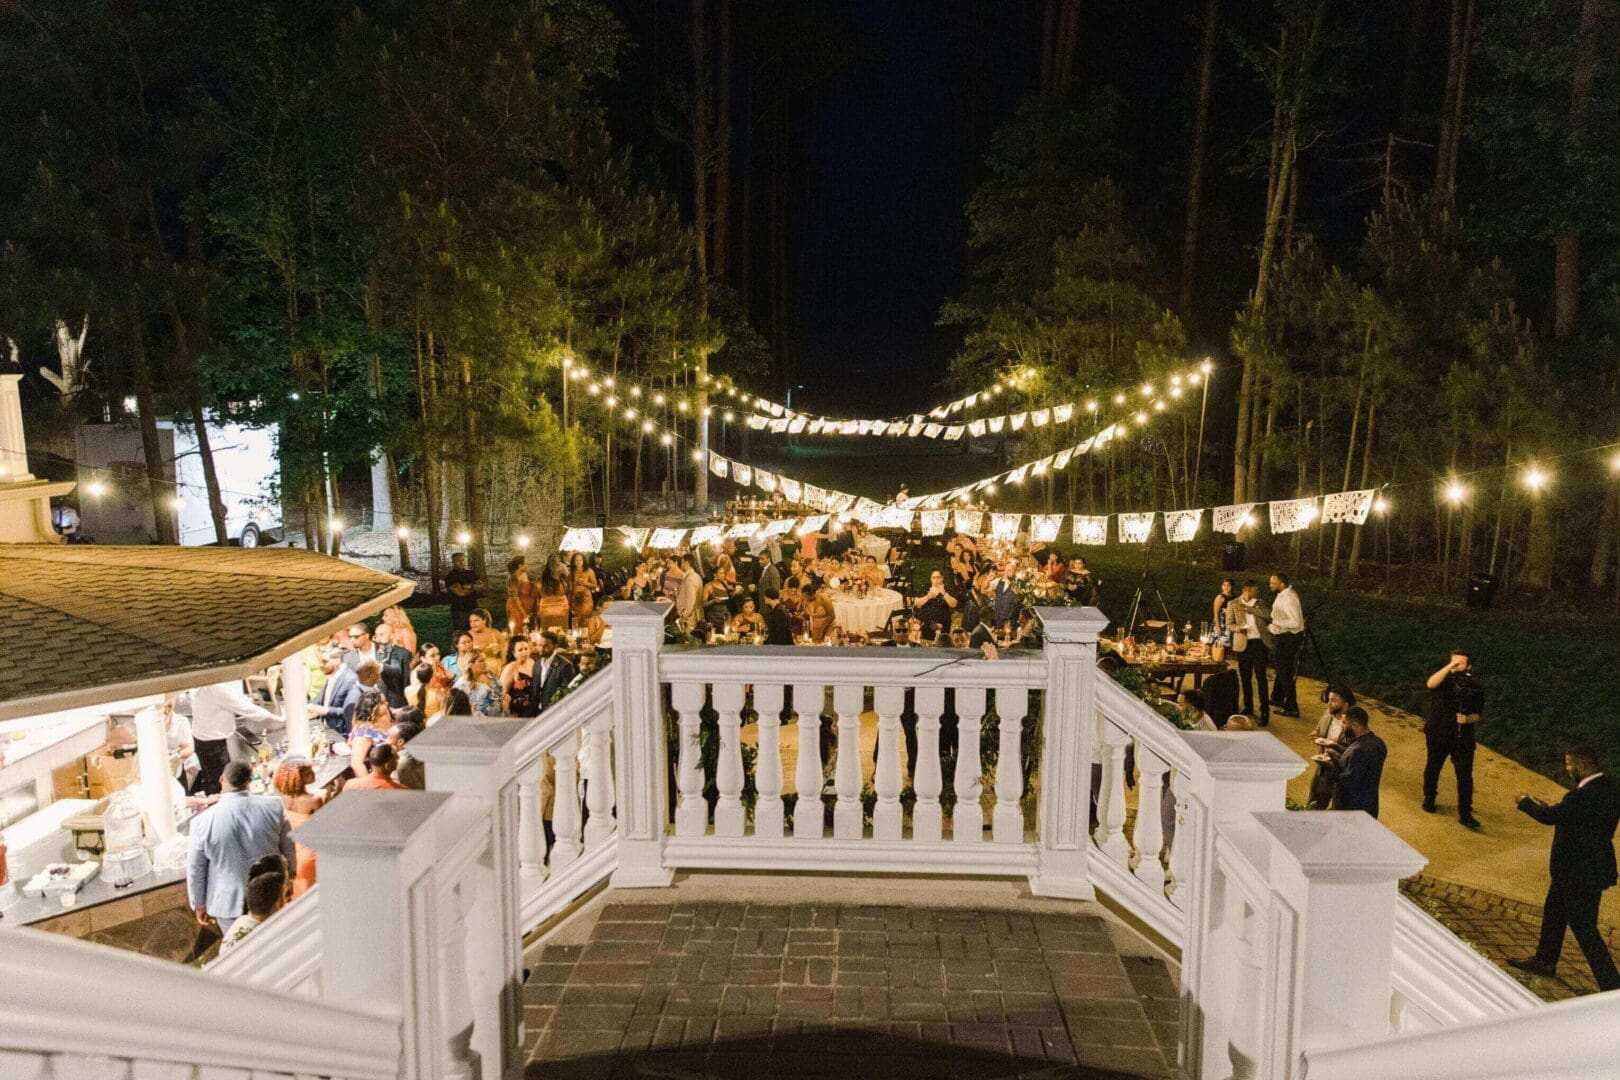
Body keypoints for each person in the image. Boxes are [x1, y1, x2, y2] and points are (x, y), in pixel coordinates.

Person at [1508, 745, 1620, 990]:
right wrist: (1556, 809)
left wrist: (1525, 802)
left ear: (1581, 765)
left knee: (1584, 926)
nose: (1567, 768)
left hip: (1578, 871)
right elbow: (1578, 818)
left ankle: (1612, 985)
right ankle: (1545, 960)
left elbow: (1550, 818)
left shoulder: (1582, 796)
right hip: (1581, 867)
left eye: (1569, 764)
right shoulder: (1608, 788)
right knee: (1554, 912)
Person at [186, 761, 296, 938]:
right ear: (249, 780)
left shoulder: (201, 822)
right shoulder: (274, 806)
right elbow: (289, 846)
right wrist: (290, 877)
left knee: (241, 955)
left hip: (229, 904)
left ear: (222, 779)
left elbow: (195, 869)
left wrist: (198, 904)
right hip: (271, 894)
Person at [1423, 648, 1484, 829]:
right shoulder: (1443, 680)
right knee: (1433, 766)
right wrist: (1450, 666)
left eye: (1461, 663)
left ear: (1469, 666)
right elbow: (1431, 684)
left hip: (1462, 736)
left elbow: (1478, 714)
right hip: (1438, 732)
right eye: (1454, 662)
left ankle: (1465, 812)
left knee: (1465, 775)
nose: (1457, 666)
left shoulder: (1475, 687)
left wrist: (1467, 719)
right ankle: (1429, 798)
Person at [188, 680, 284, 795]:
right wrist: (279, 719)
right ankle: (220, 807)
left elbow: (237, 699)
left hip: (206, 736)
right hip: (211, 741)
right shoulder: (216, 687)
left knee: (215, 779)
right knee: (219, 783)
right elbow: (243, 707)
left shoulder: (213, 682)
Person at [271, 759, 321, 898]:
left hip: (292, 850)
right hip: (309, 851)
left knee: (298, 890)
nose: (313, 774)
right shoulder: (315, 799)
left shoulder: (281, 799)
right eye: (308, 773)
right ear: (298, 778)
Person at [218, 865, 287, 956]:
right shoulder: (263, 938)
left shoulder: (241, 922)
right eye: (286, 895)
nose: (287, 901)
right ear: (278, 903)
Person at [1228, 581, 1271, 726]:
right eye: (1253, 591)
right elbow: (1229, 624)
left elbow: (1267, 615)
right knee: (1245, 677)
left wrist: (1250, 609)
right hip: (1243, 644)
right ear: (1246, 590)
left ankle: (1265, 710)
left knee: (1261, 677)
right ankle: (1248, 706)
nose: (1256, 593)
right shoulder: (1233, 603)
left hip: (1259, 644)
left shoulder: (1260, 603)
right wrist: (1239, 628)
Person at [1331, 707, 1387, 818]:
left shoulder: (1359, 749)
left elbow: (1350, 781)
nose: (1342, 726)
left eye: (1344, 723)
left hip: (1351, 809)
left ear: (1355, 725)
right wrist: (1339, 753)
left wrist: (1331, 766)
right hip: (1369, 805)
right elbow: (1362, 767)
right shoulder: (1378, 743)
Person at [1308, 686, 1356, 809]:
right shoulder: (1328, 714)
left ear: (1345, 705)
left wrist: (1334, 744)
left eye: (1333, 700)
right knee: (1314, 804)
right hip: (1322, 766)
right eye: (1329, 700)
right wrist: (1315, 733)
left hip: (1340, 772)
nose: (1329, 704)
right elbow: (1319, 728)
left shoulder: (1353, 723)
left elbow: (1354, 749)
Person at [1267, 572, 1304, 717]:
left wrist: (1275, 624)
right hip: (1284, 636)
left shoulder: (1289, 598)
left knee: (1285, 671)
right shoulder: (1283, 594)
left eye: (1273, 583)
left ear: (1281, 583)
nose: (1270, 585)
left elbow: (1295, 622)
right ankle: (1277, 698)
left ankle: (1292, 707)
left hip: (1290, 638)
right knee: (1280, 667)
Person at [346, 684, 392, 777]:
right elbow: (357, 765)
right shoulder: (363, 734)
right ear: (372, 708)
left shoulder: (383, 719)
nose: (387, 704)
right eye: (382, 703)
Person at [371, 622, 412, 710]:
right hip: (375, 700)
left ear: (392, 635)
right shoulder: (372, 652)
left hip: (396, 700)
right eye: (376, 635)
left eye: (382, 635)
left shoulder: (403, 654)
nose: (379, 638)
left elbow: (406, 679)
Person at [534, 630, 577, 711]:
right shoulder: (536, 664)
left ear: (555, 646)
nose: (541, 649)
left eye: (546, 646)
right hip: (537, 711)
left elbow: (568, 693)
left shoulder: (565, 666)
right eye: (540, 645)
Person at [500, 637, 540, 717]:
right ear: (514, 653)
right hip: (517, 713)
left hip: (534, 710)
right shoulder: (511, 668)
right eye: (520, 650)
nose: (524, 652)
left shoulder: (532, 662)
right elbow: (502, 693)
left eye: (526, 649)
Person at [915, 569, 959, 640]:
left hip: (943, 620)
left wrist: (944, 594)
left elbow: (954, 604)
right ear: (931, 578)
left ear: (942, 578)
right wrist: (927, 597)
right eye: (933, 577)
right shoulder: (925, 588)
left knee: (941, 640)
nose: (936, 579)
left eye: (938, 577)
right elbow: (917, 603)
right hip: (926, 620)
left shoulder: (948, 588)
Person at [445, 552, 483, 634]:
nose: (461, 562)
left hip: (474, 608)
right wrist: (473, 587)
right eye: (458, 560)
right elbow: (460, 593)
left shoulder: (471, 573)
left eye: (463, 560)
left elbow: (481, 586)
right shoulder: (451, 576)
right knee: (461, 635)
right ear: (453, 562)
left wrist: (467, 586)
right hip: (460, 611)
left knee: (475, 633)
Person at [536, 556, 571, 630]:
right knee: (561, 632)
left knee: (547, 632)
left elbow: (538, 593)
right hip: (560, 608)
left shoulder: (542, 580)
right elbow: (568, 590)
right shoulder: (563, 579)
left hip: (548, 608)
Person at [505, 556, 535, 634]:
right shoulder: (513, 579)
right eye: (525, 564)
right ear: (520, 566)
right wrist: (524, 613)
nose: (527, 566)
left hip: (524, 606)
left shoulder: (523, 575)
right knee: (517, 629)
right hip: (515, 607)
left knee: (525, 629)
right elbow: (515, 598)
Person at [989, 561, 1021, 631]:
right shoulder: (999, 581)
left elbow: (1020, 601)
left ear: (1015, 572)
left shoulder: (1019, 584)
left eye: (1009, 571)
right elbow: (984, 589)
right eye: (1005, 570)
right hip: (998, 618)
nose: (1006, 573)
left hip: (1010, 622)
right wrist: (988, 579)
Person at [675, 554, 704, 629]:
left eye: (682, 563)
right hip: (695, 615)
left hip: (690, 618)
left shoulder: (690, 579)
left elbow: (691, 601)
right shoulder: (696, 576)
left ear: (687, 564)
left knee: (688, 639)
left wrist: (684, 616)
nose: (681, 565)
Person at [1211, 578, 1234, 644]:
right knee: (1220, 643)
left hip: (1230, 621)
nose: (1226, 587)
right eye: (1224, 585)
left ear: (1232, 586)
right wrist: (1218, 626)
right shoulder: (1220, 597)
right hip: (1221, 622)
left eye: (1228, 585)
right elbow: (1216, 612)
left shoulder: (1234, 597)